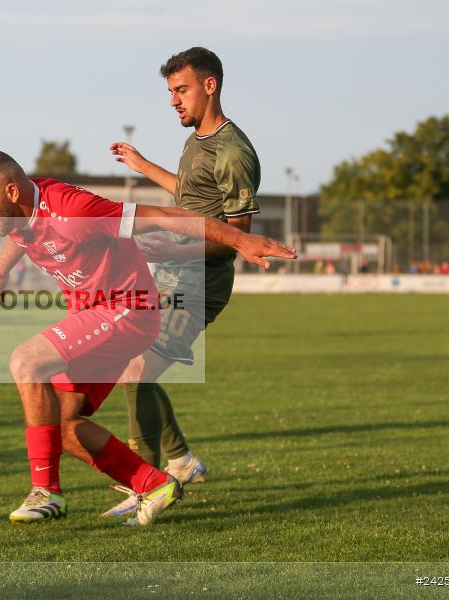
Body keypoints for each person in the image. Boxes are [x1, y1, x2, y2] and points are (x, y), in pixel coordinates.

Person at [0, 149, 294, 525]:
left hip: (128, 311)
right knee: (62, 427)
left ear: (10, 191)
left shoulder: (75, 211)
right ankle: (152, 484)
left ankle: (46, 492)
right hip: (96, 315)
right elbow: (17, 233)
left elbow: (164, 216)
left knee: (25, 361)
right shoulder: (20, 210)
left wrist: (239, 240)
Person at [104, 47, 264, 517]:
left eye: (181, 90)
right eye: (170, 91)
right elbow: (189, 193)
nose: (173, 100)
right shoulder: (199, 140)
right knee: (133, 369)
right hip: (171, 273)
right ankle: (180, 461)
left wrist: (173, 250)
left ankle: (146, 486)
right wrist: (143, 164)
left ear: (209, 85)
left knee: (137, 372)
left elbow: (238, 237)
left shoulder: (234, 151)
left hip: (200, 284)